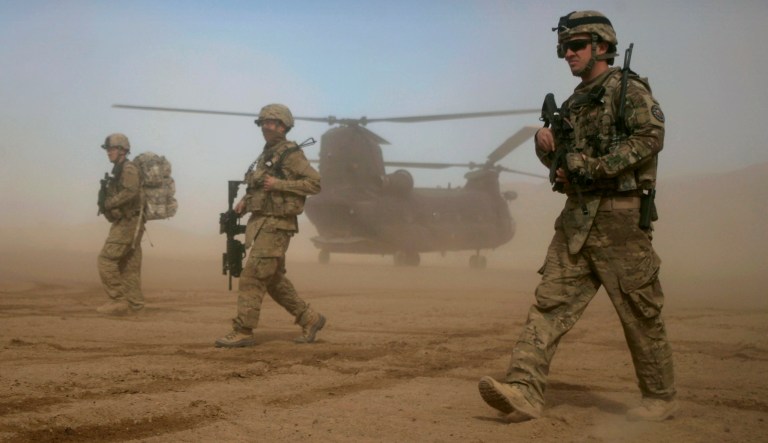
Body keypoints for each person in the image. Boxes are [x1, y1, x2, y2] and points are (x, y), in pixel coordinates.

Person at [478, 11, 677, 422]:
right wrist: (545, 145)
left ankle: (660, 397)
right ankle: (524, 390)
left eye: (577, 46)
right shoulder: (574, 103)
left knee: (640, 313)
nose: (568, 53)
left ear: (601, 47)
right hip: (577, 220)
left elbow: (650, 137)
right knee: (548, 307)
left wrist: (594, 166)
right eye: (564, 47)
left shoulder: (628, 90)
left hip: (620, 221)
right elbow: (564, 164)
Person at [215, 103, 326, 348]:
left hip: (277, 225)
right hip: (262, 222)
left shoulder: (291, 153)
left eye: (273, 123)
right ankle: (310, 318)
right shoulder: (268, 153)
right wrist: (245, 200)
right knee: (273, 280)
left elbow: (315, 183)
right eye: (263, 122)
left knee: (252, 276)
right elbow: (260, 185)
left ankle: (243, 329)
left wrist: (279, 185)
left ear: (284, 126)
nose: (267, 127)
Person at [97, 133, 146, 315]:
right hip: (132, 223)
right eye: (108, 149)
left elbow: (131, 191)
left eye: (111, 149)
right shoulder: (120, 169)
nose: (108, 152)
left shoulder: (128, 169)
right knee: (129, 266)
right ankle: (136, 306)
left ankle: (117, 300)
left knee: (106, 260)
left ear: (122, 150)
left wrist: (110, 203)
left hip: (128, 223)